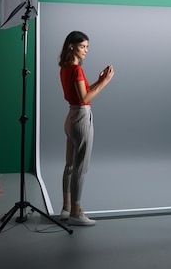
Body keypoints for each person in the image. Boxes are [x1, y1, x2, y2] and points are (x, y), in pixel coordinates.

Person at [58, 30, 114, 226]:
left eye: (87, 47)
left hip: (71, 117)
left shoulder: (66, 68)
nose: (86, 50)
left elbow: (80, 94)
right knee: (81, 168)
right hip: (81, 118)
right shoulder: (76, 70)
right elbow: (85, 98)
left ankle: (66, 208)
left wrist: (98, 80)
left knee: (70, 166)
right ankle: (76, 212)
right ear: (71, 46)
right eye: (83, 46)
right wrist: (105, 82)